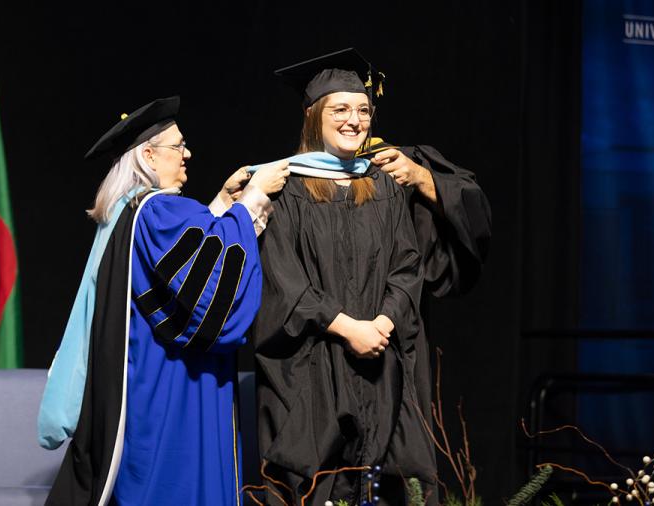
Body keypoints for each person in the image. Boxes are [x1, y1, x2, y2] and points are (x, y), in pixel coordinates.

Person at [41, 96, 289, 506]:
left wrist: (223, 205)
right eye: (179, 146)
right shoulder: (158, 211)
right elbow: (210, 294)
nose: (188, 154)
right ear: (150, 156)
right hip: (173, 385)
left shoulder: (131, 211)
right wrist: (254, 200)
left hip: (148, 377)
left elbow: (178, 273)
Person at [252, 49, 427, 505]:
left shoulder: (385, 187)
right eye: (341, 109)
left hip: (379, 364)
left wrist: (382, 325)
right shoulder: (287, 188)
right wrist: (348, 327)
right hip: (312, 368)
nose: (354, 120)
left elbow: (407, 267)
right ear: (314, 117)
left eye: (363, 109)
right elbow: (283, 280)